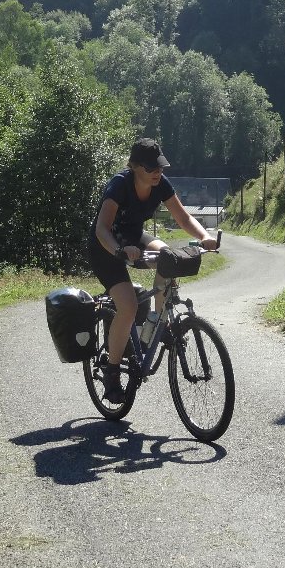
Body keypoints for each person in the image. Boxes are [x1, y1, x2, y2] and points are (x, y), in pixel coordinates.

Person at [88, 138, 218, 402]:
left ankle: (159, 320)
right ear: (135, 167)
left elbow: (183, 218)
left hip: (135, 238)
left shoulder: (161, 185)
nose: (157, 172)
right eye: (151, 168)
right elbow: (102, 228)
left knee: (168, 256)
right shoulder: (120, 185)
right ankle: (112, 373)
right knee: (127, 306)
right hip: (105, 247)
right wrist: (118, 251)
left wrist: (205, 236)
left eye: (160, 166)